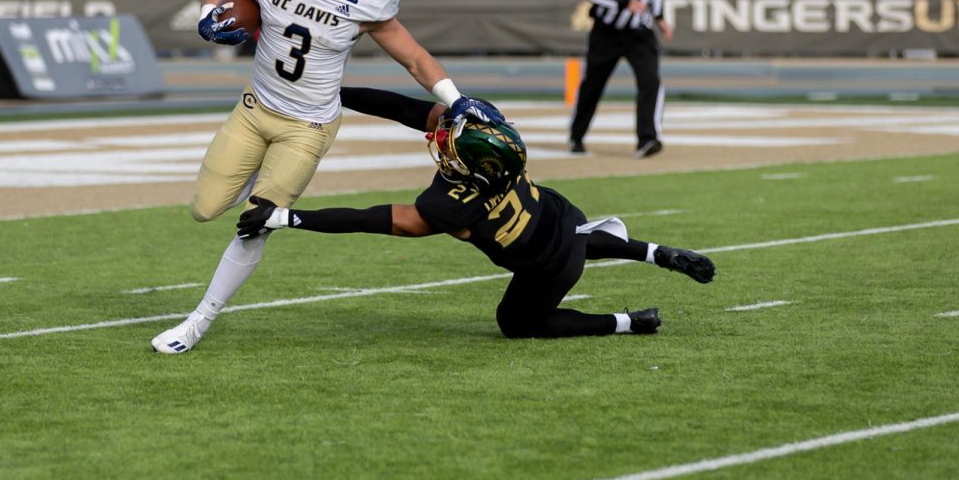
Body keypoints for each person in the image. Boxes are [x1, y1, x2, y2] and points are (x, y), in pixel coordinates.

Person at [151, 0, 501, 354]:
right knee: (205, 208)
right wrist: (206, 17)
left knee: (256, 220)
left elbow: (414, 58)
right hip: (254, 109)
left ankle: (197, 322)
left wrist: (456, 100)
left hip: (309, 127)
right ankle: (253, 170)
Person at [235, 87, 716, 341]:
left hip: (548, 264)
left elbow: (372, 218)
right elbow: (409, 111)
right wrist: (334, 95)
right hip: (560, 217)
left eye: (448, 142)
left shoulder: (443, 205)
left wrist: (284, 217)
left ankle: (627, 323)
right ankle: (653, 252)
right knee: (567, 233)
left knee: (516, 323)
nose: (440, 138)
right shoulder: (490, 136)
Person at [568, 0, 672, 159]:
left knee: (651, 81)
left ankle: (648, 139)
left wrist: (660, 18)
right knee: (593, 84)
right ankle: (576, 135)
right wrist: (625, 2)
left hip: (639, 33)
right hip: (608, 32)